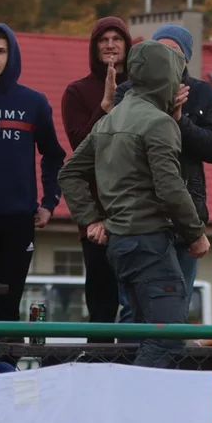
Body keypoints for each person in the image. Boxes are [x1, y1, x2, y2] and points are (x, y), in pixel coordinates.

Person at [58, 41, 210, 368]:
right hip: (150, 243)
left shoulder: (110, 119)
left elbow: (69, 172)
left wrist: (92, 219)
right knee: (167, 339)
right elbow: (170, 188)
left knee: (144, 334)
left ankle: (135, 404)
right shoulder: (159, 123)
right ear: (164, 76)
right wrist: (196, 233)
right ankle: (135, 406)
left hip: (121, 245)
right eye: (175, 72)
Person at [112, 25, 212, 318]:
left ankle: (164, 364)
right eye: (159, 50)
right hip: (137, 216)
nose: (165, 58)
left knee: (176, 308)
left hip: (184, 216)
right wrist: (161, 114)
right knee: (133, 308)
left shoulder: (201, 92)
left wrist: (179, 121)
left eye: (173, 53)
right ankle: (130, 363)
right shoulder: (127, 92)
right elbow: (121, 146)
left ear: (186, 59)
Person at [60, 17, 132, 335]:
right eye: (103, 39)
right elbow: (79, 148)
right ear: (94, 47)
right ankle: (99, 367)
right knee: (102, 304)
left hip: (137, 211)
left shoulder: (141, 90)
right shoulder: (76, 92)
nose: (111, 44)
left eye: (117, 38)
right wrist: (104, 105)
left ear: (128, 46)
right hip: (96, 216)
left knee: (136, 304)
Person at [0, 24, 65, 323]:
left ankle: (7, 369)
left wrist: (49, 202)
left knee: (8, 306)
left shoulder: (33, 103)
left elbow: (53, 155)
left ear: (11, 55)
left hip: (17, 221)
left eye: (0, 51)